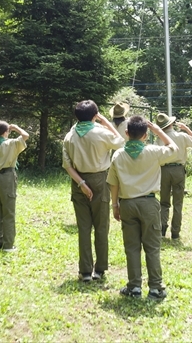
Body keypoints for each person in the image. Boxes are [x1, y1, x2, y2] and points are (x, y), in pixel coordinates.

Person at [107, 116, 178, 300]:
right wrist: (159, 131)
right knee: (152, 247)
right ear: (145, 135)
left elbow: (113, 183)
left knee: (131, 247)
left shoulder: (118, 154)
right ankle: (155, 288)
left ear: (126, 133)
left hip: (127, 203)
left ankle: (134, 287)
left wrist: (114, 205)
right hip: (149, 204)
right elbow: (174, 148)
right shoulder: (153, 151)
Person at [62, 100, 124, 282]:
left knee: (83, 227)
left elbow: (67, 165)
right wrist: (106, 123)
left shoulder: (69, 136)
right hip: (100, 179)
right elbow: (120, 143)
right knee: (101, 226)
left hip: (78, 181)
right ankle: (100, 269)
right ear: (95, 116)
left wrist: (81, 182)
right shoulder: (101, 133)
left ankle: (85, 271)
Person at [0, 120, 29, 252]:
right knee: (9, 212)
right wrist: (15, 128)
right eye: (8, 131)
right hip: (7, 177)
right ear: (5, 132)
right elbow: (25, 136)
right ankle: (8, 244)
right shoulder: (10, 144)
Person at [154, 113, 192, 240]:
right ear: (171, 123)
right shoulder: (182, 136)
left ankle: (162, 229)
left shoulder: (159, 139)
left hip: (163, 170)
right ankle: (175, 232)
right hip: (179, 170)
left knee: (164, 202)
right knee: (178, 203)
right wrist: (186, 129)